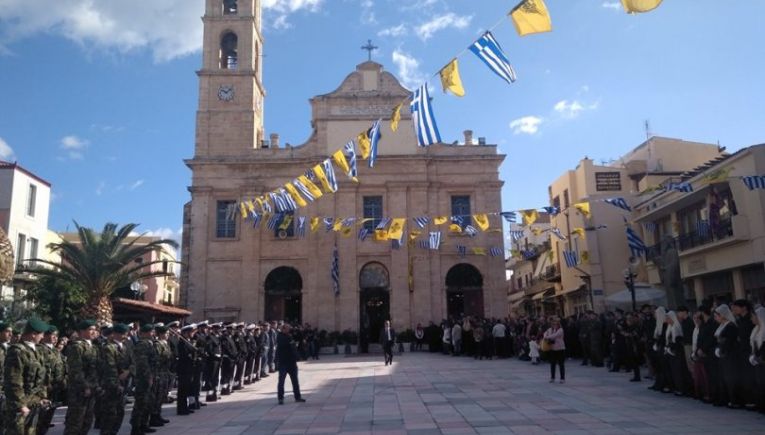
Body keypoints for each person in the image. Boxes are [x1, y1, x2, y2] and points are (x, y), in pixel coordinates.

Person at [64, 319, 100, 435]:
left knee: (87, 421)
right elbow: (76, 370)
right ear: (82, 331)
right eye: (90, 329)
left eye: (95, 329)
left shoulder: (93, 347)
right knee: (75, 422)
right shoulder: (77, 347)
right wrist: (85, 386)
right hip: (79, 390)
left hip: (92, 388)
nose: (94, 332)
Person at [98, 323, 131, 435]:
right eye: (123, 333)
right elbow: (110, 368)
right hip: (111, 386)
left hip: (122, 384)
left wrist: (128, 371)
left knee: (119, 413)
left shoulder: (125, 347)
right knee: (110, 414)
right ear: (116, 334)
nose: (126, 335)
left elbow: (133, 362)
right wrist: (117, 385)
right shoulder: (108, 348)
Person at [130, 324, 158, 435]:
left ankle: (144, 424)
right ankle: (136, 427)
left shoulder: (150, 344)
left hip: (149, 376)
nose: (153, 334)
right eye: (151, 332)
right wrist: (148, 376)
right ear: (145, 333)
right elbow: (142, 363)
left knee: (148, 402)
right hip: (143, 378)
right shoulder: (142, 345)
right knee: (141, 403)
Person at [713, 304, 740, 409]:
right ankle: (726, 398)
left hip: (730, 355)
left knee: (731, 377)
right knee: (723, 377)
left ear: (723, 315)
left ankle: (734, 400)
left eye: (717, 315)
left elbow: (729, 341)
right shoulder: (721, 326)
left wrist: (722, 349)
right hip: (722, 355)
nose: (716, 318)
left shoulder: (730, 326)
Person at [275, 324, 305, 405]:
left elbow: (294, 347)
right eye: (288, 329)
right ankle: (280, 398)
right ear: (283, 329)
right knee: (281, 381)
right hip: (283, 362)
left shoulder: (290, 336)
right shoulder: (280, 336)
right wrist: (291, 342)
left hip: (292, 362)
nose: (289, 330)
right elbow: (285, 345)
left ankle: (297, 397)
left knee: (295, 381)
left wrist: (297, 356)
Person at [749, 306, 765, 413]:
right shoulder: (755, 329)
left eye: (753, 316)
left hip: (762, 360)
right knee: (758, 383)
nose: (752, 318)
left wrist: (760, 357)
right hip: (756, 360)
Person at [543, 317, 566, 383]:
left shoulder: (560, 329)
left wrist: (547, 337)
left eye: (556, 322)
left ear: (558, 323)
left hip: (560, 348)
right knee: (552, 364)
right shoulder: (550, 329)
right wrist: (545, 336)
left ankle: (562, 378)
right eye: (553, 322)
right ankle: (552, 377)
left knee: (561, 364)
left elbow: (555, 335)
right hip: (552, 348)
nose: (554, 323)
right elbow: (545, 333)